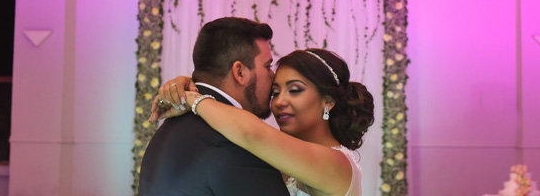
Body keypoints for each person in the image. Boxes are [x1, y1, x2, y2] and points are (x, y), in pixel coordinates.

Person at [153, 48, 374, 196]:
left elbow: (250, 133)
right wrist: (189, 84)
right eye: (274, 93)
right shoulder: (278, 154)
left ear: (328, 100)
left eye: (295, 90)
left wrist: (191, 97)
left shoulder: (338, 164)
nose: (279, 102)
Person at [136, 17, 288, 196]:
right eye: (267, 66)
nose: (273, 77)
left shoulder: (168, 129)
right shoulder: (237, 142)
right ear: (240, 73)